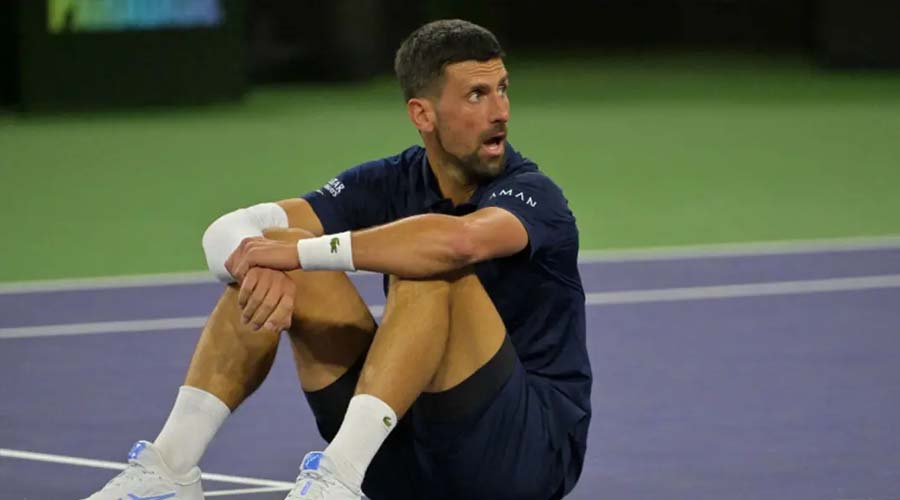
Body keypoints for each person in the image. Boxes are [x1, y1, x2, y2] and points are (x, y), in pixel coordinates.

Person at [82, 19, 591, 500]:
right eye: (477, 95)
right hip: (407, 454)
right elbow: (234, 229)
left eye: (502, 89)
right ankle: (169, 471)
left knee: (427, 261)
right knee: (271, 251)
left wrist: (300, 252)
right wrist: (259, 262)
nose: (500, 111)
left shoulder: (533, 194)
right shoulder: (387, 179)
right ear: (423, 114)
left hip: (519, 456)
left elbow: (459, 243)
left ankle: (337, 476)